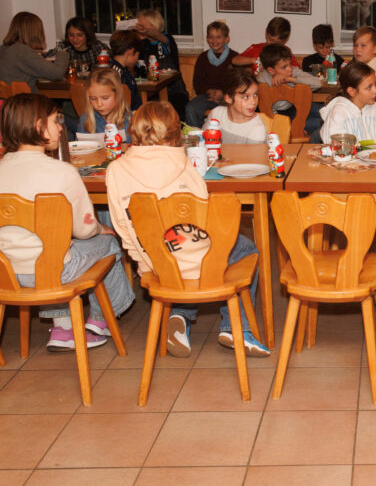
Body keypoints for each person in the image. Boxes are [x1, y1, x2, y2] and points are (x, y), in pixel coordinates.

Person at [105, 101, 268, 357]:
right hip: (200, 261)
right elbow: (205, 221)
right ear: (175, 133)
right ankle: (235, 328)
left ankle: (180, 315)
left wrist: (144, 263)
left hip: (158, 262)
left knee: (178, 260)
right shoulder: (184, 165)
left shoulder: (114, 170)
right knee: (247, 248)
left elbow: (122, 227)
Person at [0, 94, 134, 351]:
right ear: (39, 126)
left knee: (50, 246)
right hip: (52, 271)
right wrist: (102, 228)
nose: (61, 128)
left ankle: (62, 328)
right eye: (55, 121)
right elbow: (84, 230)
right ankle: (101, 320)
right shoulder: (63, 172)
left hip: (4, 272)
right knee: (106, 242)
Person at [318, 62, 376, 296]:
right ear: (351, 91)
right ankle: (354, 263)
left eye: (375, 85)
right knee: (361, 203)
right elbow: (333, 149)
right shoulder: (339, 111)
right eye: (369, 87)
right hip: (347, 178)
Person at [0, 12, 69, 92]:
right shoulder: (22, 50)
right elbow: (57, 73)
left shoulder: (3, 48)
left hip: (6, 99)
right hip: (24, 99)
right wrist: (62, 53)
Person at [256, 43, 322, 136]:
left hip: (295, 107)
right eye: (284, 67)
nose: (289, 69)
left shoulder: (293, 71)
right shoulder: (262, 80)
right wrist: (289, 129)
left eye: (290, 64)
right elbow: (266, 111)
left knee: (326, 111)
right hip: (278, 116)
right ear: (271, 70)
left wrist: (290, 79)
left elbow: (318, 84)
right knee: (319, 123)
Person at [134, 9, 189, 120]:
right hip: (151, 91)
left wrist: (147, 32)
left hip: (174, 90)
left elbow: (161, 38)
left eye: (142, 26)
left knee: (175, 108)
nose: (139, 29)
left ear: (153, 26)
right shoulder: (142, 44)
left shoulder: (166, 40)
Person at [186, 21, 239, 127]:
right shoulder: (202, 57)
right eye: (211, 37)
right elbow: (197, 83)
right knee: (191, 108)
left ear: (226, 39)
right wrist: (209, 91)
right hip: (207, 96)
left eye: (218, 37)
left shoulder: (235, 58)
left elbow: (238, 83)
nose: (214, 40)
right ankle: (196, 134)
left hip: (228, 96)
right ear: (207, 39)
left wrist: (223, 93)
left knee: (227, 111)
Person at [206, 68, 269, 144]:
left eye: (255, 95)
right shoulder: (216, 114)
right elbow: (202, 142)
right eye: (246, 96)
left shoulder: (257, 129)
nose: (253, 102)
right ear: (229, 98)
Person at [75, 68, 131, 141]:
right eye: (93, 99)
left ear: (117, 95)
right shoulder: (85, 119)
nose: (99, 104)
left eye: (105, 98)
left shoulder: (128, 118)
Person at [234, 16, 301, 69]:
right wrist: (253, 60)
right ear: (266, 33)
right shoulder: (256, 48)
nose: (272, 44)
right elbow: (235, 60)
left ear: (285, 40)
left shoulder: (286, 51)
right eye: (270, 39)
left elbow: (298, 70)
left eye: (277, 43)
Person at [109, 30, 143, 112]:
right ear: (131, 52)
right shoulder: (116, 74)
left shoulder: (124, 71)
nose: (137, 59)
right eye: (138, 55)